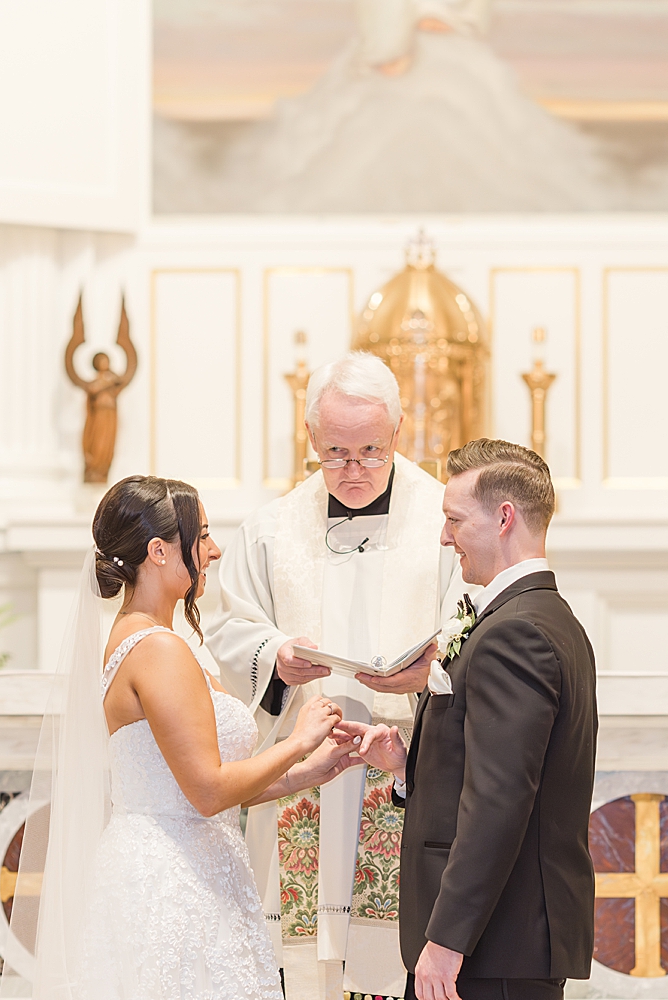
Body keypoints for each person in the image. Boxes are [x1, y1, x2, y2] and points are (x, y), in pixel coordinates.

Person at [22, 475, 359, 1000]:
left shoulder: (164, 641)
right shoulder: (156, 648)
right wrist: (297, 740)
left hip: (190, 865)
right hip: (170, 883)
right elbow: (207, 792)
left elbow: (211, 784)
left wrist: (309, 771)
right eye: (201, 537)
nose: (215, 550)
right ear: (159, 551)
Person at [205, 352, 462, 998]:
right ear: (311, 438)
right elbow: (229, 632)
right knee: (304, 973)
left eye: (371, 452)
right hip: (305, 774)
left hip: (403, 770)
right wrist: (276, 657)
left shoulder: (445, 521)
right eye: (335, 453)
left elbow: (473, 629)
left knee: (400, 965)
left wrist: (425, 674)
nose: (353, 470)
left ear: (399, 434)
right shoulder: (271, 528)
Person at [341, 438, 598, 1000]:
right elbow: (498, 772)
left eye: (454, 519)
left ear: (504, 518)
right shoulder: (549, 621)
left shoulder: (514, 634)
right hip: (501, 942)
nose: (443, 536)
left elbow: (500, 800)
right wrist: (409, 767)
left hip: (489, 946)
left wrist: (448, 941)